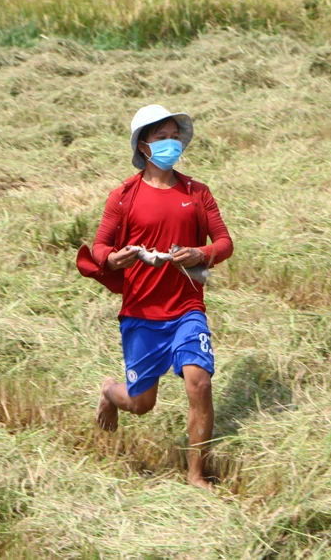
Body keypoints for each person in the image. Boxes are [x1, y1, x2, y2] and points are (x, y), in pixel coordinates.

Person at [76, 104, 233, 490]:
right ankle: (110, 392)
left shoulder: (197, 192)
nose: (171, 144)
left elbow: (224, 242)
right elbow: (100, 247)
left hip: (187, 308)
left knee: (199, 382)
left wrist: (201, 254)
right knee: (142, 404)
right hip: (142, 312)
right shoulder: (123, 196)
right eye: (161, 138)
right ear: (143, 146)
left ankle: (196, 474)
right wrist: (112, 259)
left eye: (175, 137)